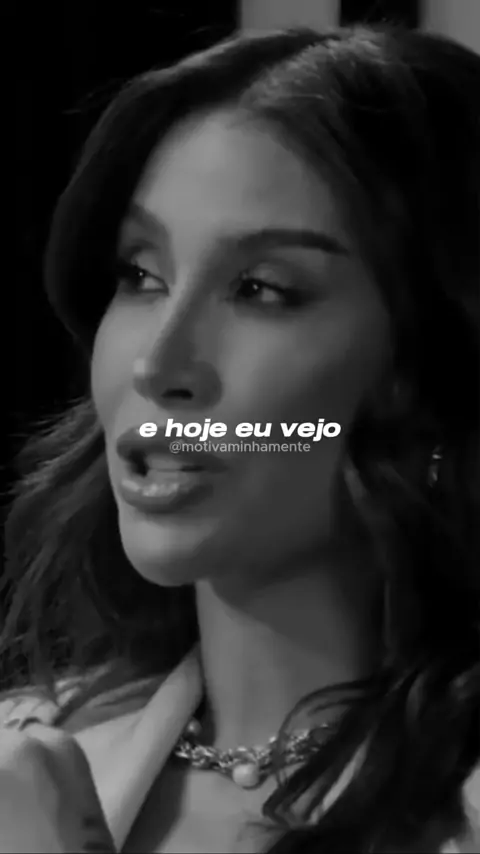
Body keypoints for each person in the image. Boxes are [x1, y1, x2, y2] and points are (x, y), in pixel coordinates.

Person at [0, 21, 479, 854]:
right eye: (141, 275)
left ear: (431, 371)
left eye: (261, 288)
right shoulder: (25, 758)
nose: (158, 364)